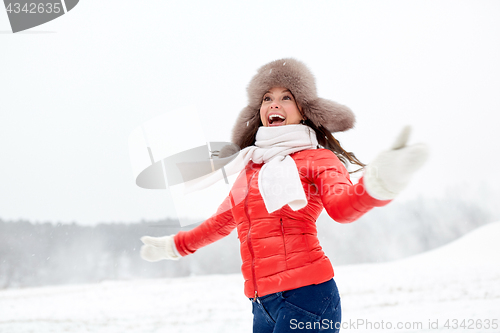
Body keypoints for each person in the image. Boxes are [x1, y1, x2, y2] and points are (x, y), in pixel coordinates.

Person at [139, 58, 429, 333]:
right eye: (267, 98)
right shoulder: (251, 168)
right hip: (261, 303)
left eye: (286, 97)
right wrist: (173, 246)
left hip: (307, 297)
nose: (274, 103)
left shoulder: (318, 159)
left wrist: (378, 184)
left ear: (304, 110)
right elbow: (222, 221)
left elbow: (343, 207)